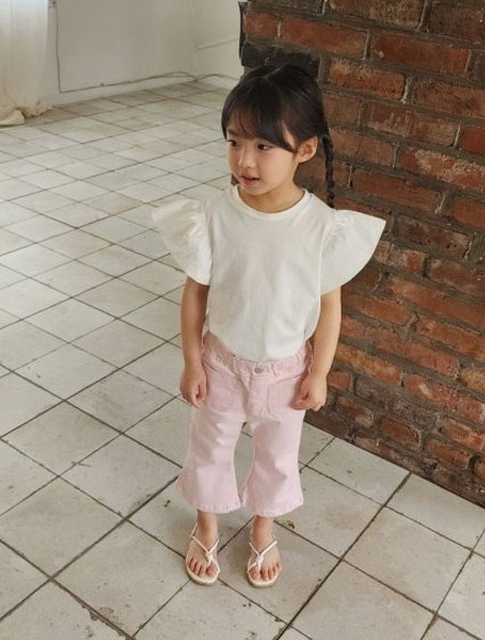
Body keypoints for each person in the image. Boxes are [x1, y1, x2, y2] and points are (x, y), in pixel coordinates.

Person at [152, 64, 385, 588]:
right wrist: (192, 361)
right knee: (209, 450)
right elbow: (195, 293)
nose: (245, 160)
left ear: (305, 150)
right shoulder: (214, 215)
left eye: (263, 146)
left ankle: (262, 528)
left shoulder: (322, 227)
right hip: (221, 363)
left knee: (277, 458)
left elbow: (330, 308)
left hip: (286, 371)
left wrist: (319, 373)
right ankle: (206, 524)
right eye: (234, 142)